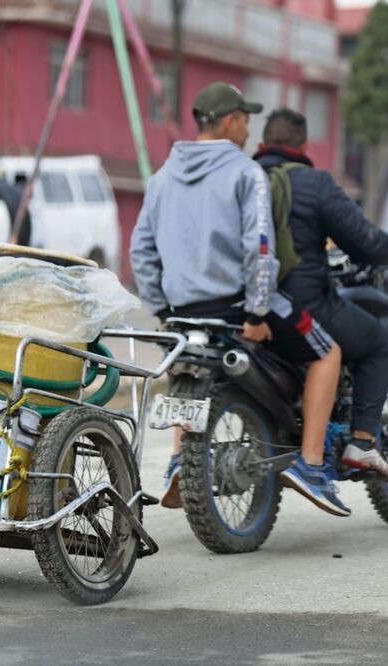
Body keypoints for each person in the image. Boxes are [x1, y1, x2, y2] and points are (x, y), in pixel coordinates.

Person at [130, 83, 349, 517]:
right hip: (234, 308)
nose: (249, 130)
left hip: (182, 315)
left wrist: (161, 310)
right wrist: (257, 310)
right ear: (230, 121)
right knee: (328, 353)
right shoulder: (246, 173)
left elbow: (141, 250)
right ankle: (311, 465)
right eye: (246, 121)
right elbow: (260, 247)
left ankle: (179, 460)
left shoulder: (161, 179)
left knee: (186, 364)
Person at [254, 108, 388, 483]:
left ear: (262, 144)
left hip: (244, 306)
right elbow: (366, 242)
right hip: (301, 303)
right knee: (377, 341)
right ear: (304, 146)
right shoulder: (313, 183)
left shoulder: (243, 178)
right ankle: (361, 442)